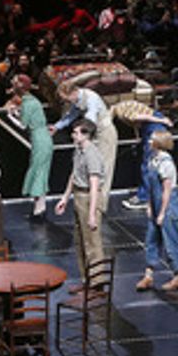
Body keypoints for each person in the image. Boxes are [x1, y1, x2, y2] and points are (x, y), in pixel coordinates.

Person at [51, 82, 116, 207]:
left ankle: (100, 205)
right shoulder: (77, 100)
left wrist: (81, 134)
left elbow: (90, 118)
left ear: (73, 92)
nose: (66, 102)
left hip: (104, 132)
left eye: (66, 98)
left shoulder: (91, 97)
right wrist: (57, 127)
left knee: (104, 169)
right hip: (91, 132)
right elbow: (71, 115)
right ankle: (91, 202)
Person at [135, 130, 178, 293]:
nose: (149, 142)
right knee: (151, 240)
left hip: (168, 205)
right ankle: (148, 275)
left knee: (170, 241)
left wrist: (162, 212)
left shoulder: (166, 163)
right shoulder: (152, 159)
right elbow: (150, 188)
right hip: (156, 204)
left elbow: (167, 191)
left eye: (152, 140)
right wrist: (150, 206)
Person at [55, 119, 104, 283]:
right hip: (78, 195)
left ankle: (97, 282)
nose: (73, 135)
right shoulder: (78, 150)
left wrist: (91, 214)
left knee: (92, 243)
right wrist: (65, 197)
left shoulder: (92, 154)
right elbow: (74, 175)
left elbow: (94, 184)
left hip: (88, 197)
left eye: (76, 132)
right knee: (80, 241)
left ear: (86, 135)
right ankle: (86, 280)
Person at [6, 74, 52, 216]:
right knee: (39, 170)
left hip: (40, 139)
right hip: (41, 138)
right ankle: (39, 207)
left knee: (39, 170)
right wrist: (17, 112)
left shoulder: (28, 103)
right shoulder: (31, 101)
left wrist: (10, 115)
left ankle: (39, 207)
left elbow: (23, 125)